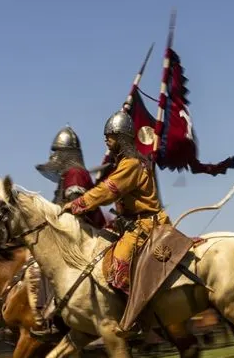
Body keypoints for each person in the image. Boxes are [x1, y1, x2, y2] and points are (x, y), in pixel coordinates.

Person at [63, 110, 170, 293]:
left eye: (110, 136)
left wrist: (76, 204)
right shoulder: (126, 163)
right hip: (129, 225)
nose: (106, 140)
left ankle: (138, 315)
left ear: (121, 138)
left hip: (145, 225)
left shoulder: (131, 164)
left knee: (118, 273)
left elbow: (107, 191)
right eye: (106, 136)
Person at [27, 126, 107, 339]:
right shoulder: (69, 175)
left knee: (46, 265)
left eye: (58, 153)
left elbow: (74, 210)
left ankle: (54, 317)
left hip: (85, 232)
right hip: (75, 232)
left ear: (67, 154)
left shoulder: (75, 174)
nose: (55, 158)